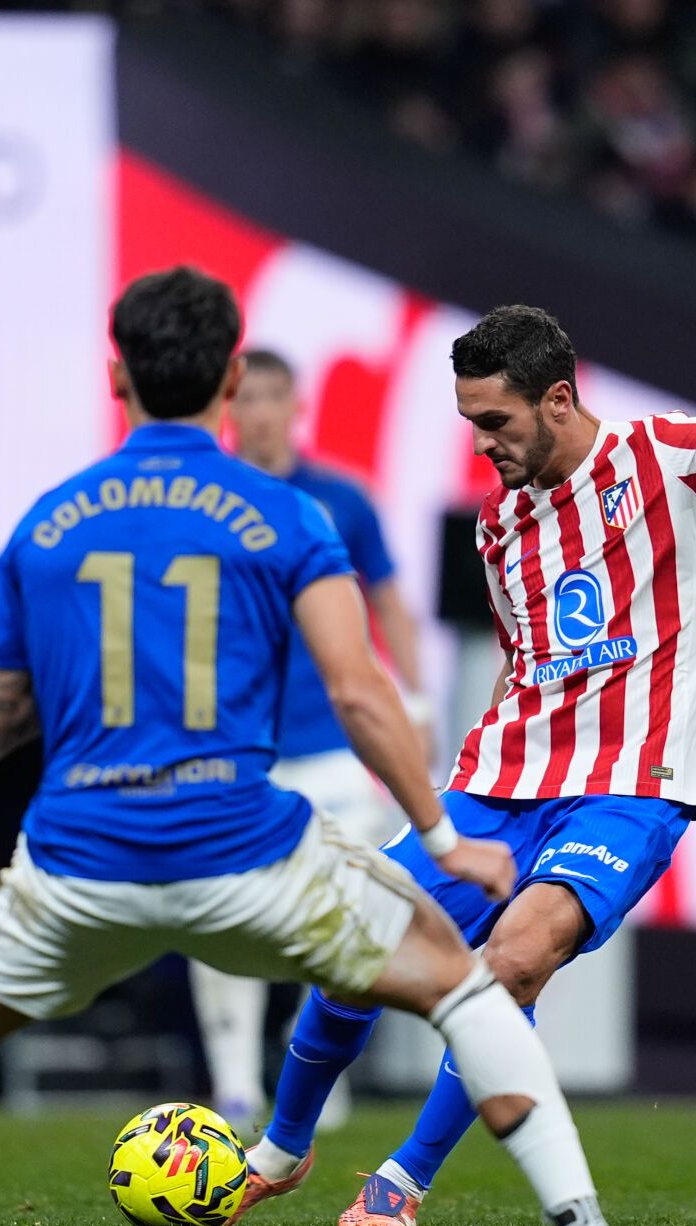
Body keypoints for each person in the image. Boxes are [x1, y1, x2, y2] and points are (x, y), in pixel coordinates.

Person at [0, 267, 664, 1226]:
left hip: (78, 863)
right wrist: (442, 836)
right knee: (469, 994)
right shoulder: (283, 516)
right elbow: (360, 693)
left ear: (117, 377)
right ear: (230, 381)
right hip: (245, 853)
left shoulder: (48, 524)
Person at [245, 299, 696, 1226]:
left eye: (494, 421)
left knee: (513, 960)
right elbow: (525, 657)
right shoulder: (499, 524)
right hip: (501, 781)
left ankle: (401, 1180)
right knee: (351, 934)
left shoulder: (664, 457)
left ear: (556, 399)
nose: (481, 444)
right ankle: (282, 1146)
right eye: (470, 423)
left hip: (627, 789)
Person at [190, 346, 432, 1130]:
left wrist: (417, 704)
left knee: (335, 910)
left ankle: (309, 1066)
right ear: (229, 405)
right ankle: (233, 1086)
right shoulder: (201, 499)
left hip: (331, 744)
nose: (259, 411)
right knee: (220, 909)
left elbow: (388, 600)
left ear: (298, 405)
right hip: (236, 744)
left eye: (274, 395)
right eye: (247, 396)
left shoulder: (341, 500)